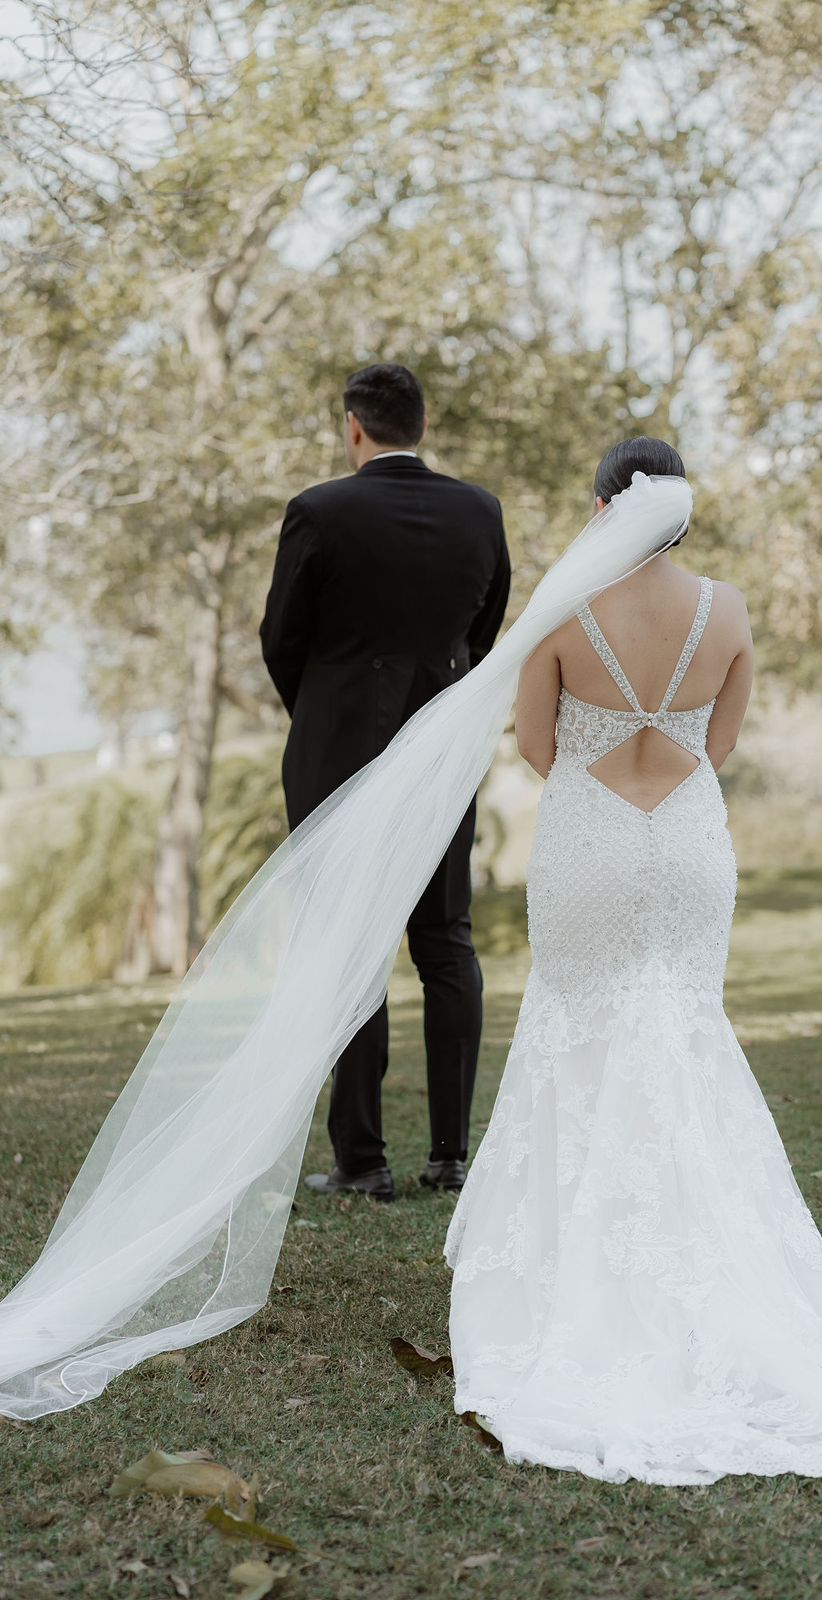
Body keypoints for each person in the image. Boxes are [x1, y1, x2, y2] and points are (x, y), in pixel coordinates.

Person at [444, 437, 822, 1488]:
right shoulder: (726, 610)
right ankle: (708, 1261)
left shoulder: (563, 608)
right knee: (682, 1031)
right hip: (688, 843)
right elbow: (717, 745)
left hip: (591, 839)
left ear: (605, 505)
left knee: (577, 1029)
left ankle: (581, 1268)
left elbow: (538, 747)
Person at [260, 363, 510, 1201]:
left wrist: (323, 712)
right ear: (422, 425)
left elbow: (281, 637)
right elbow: (483, 632)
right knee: (445, 942)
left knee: (348, 946)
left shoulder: (318, 511)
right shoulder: (480, 511)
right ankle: (450, 1156)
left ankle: (363, 1162)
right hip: (441, 753)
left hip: (338, 755)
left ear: (353, 427)